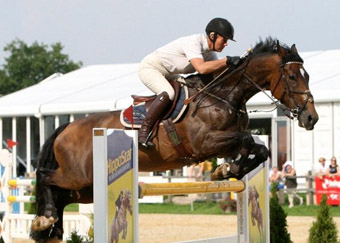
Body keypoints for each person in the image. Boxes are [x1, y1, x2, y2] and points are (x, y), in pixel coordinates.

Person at [138, 17, 241, 147]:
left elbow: (216, 75)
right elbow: (201, 68)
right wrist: (226, 61)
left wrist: (236, 67)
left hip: (170, 73)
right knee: (168, 93)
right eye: (224, 40)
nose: (226, 44)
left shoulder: (210, 54)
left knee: (185, 92)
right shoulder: (194, 42)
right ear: (213, 36)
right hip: (151, 68)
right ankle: (143, 133)